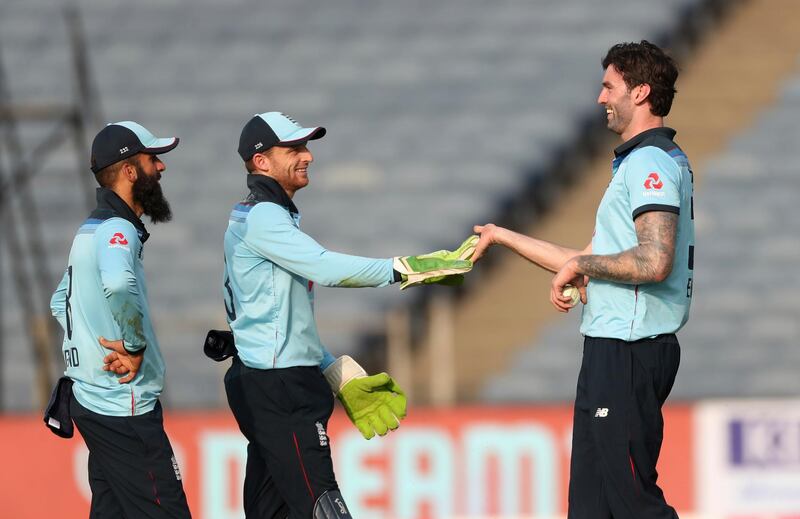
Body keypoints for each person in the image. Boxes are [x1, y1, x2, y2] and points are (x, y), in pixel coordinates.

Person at [473, 41, 693, 519]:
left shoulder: (651, 161)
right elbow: (584, 258)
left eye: (608, 86)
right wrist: (503, 237)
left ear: (640, 92)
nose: (600, 98)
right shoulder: (636, 162)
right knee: (591, 507)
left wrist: (583, 268)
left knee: (633, 502)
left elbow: (655, 260)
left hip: (631, 350)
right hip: (607, 349)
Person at [220, 111, 475, 519]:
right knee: (323, 505)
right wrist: (407, 267)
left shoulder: (257, 215)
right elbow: (326, 268)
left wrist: (331, 369)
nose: (308, 156)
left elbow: (276, 319)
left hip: (267, 380)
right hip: (282, 387)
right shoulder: (266, 217)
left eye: (306, 147)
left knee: (272, 510)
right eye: (295, 149)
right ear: (261, 161)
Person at [49, 121, 192, 518]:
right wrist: (132, 346)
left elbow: (60, 301)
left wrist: (92, 351)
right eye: (152, 158)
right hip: (123, 406)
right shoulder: (117, 230)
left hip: (93, 401)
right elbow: (116, 282)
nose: (161, 167)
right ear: (129, 170)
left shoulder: (88, 230)